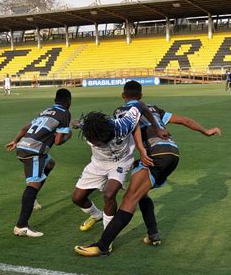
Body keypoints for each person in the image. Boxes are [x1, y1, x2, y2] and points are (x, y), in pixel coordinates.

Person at [74, 81, 221, 257]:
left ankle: (103, 245)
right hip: (172, 153)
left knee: (130, 198)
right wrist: (206, 131)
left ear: (123, 96)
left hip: (155, 154)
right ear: (141, 95)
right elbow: (184, 120)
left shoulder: (121, 112)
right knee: (142, 194)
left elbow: (133, 124)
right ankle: (153, 234)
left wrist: (142, 150)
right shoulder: (155, 109)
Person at [71, 82, 169, 234]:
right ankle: (96, 215)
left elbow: (140, 105)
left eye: (99, 142)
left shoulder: (123, 124)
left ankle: (107, 234)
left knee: (109, 194)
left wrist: (157, 127)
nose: (96, 144)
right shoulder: (90, 128)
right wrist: (77, 124)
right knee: (77, 198)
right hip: (97, 164)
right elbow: (76, 122)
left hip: (121, 162)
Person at [5, 89, 73, 237]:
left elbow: (26, 127)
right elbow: (58, 141)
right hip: (34, 152)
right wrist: (68, 136)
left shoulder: (47, 111)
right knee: (33, 184)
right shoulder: (65, 114)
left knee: (50, 164)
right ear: (68, 102)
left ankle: (33, 197)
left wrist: (16, 141)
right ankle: (21, 226)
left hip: (24, 146)